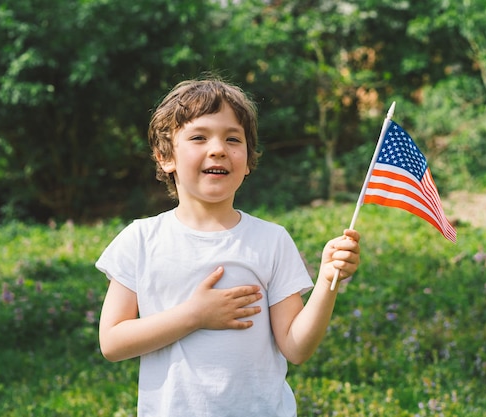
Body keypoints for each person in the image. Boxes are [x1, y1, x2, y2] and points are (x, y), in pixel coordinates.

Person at [96, 77, 361, 417]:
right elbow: (113, 342)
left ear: (249, 161)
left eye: (232, 139)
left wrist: (327, 281)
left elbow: (296, 347)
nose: (218, 148)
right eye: (199, 137)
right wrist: (195, 315)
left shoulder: (271, 240)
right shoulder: (141, 240)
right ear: (165, 157)